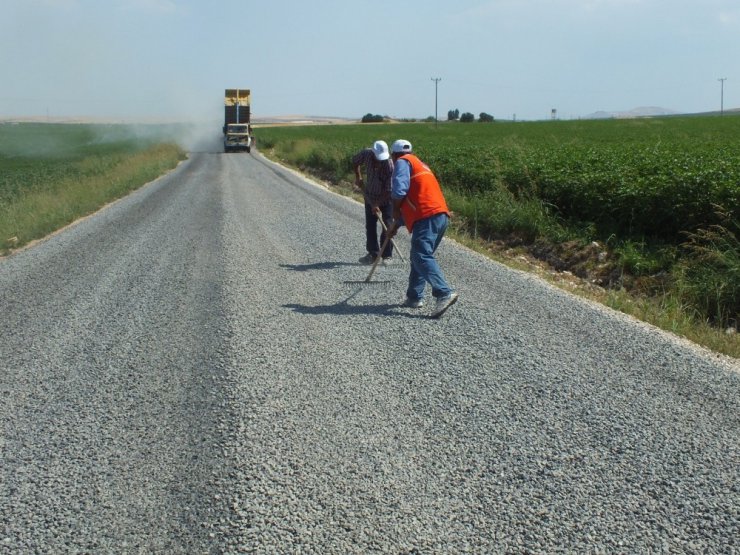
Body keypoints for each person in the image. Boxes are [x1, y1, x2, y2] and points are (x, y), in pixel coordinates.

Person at [386, 139, 458, 318]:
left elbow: (399, 192)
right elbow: (413, 201)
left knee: (420, 255)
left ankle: (444, 293)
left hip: (427, 216)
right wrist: (395, 225)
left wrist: (394, 209)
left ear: (393, 156)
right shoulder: (420, 165)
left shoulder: (402, 162)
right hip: (439, 216)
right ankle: (414, 297)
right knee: (419, 256)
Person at [352, 140, 395, 264]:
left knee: (387, 224)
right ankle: (373, 254)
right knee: (370, 226)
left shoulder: (389, 165)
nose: (380, 162)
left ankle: (386, 255)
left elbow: (389, 190)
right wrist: (358, 177)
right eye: (378, 159)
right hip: (370, 195)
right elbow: (355, 161)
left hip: (386, 199)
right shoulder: (366, 154)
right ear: (373, 154)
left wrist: (377, 204)